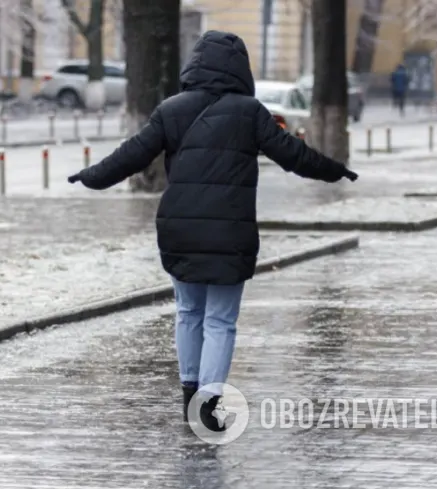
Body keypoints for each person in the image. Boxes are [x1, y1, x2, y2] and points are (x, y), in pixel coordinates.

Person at [66, 30, 357, 433]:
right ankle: (208, 404)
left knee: (188, 312)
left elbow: (131, 155)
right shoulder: (250, 112)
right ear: (240, 67)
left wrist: (90, 177)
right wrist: (335, 169)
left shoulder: (171, 110)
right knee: (220, 320)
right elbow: (293, 155)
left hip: (179, 230)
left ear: (195, 64)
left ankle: (189, 393)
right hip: (229, 234)